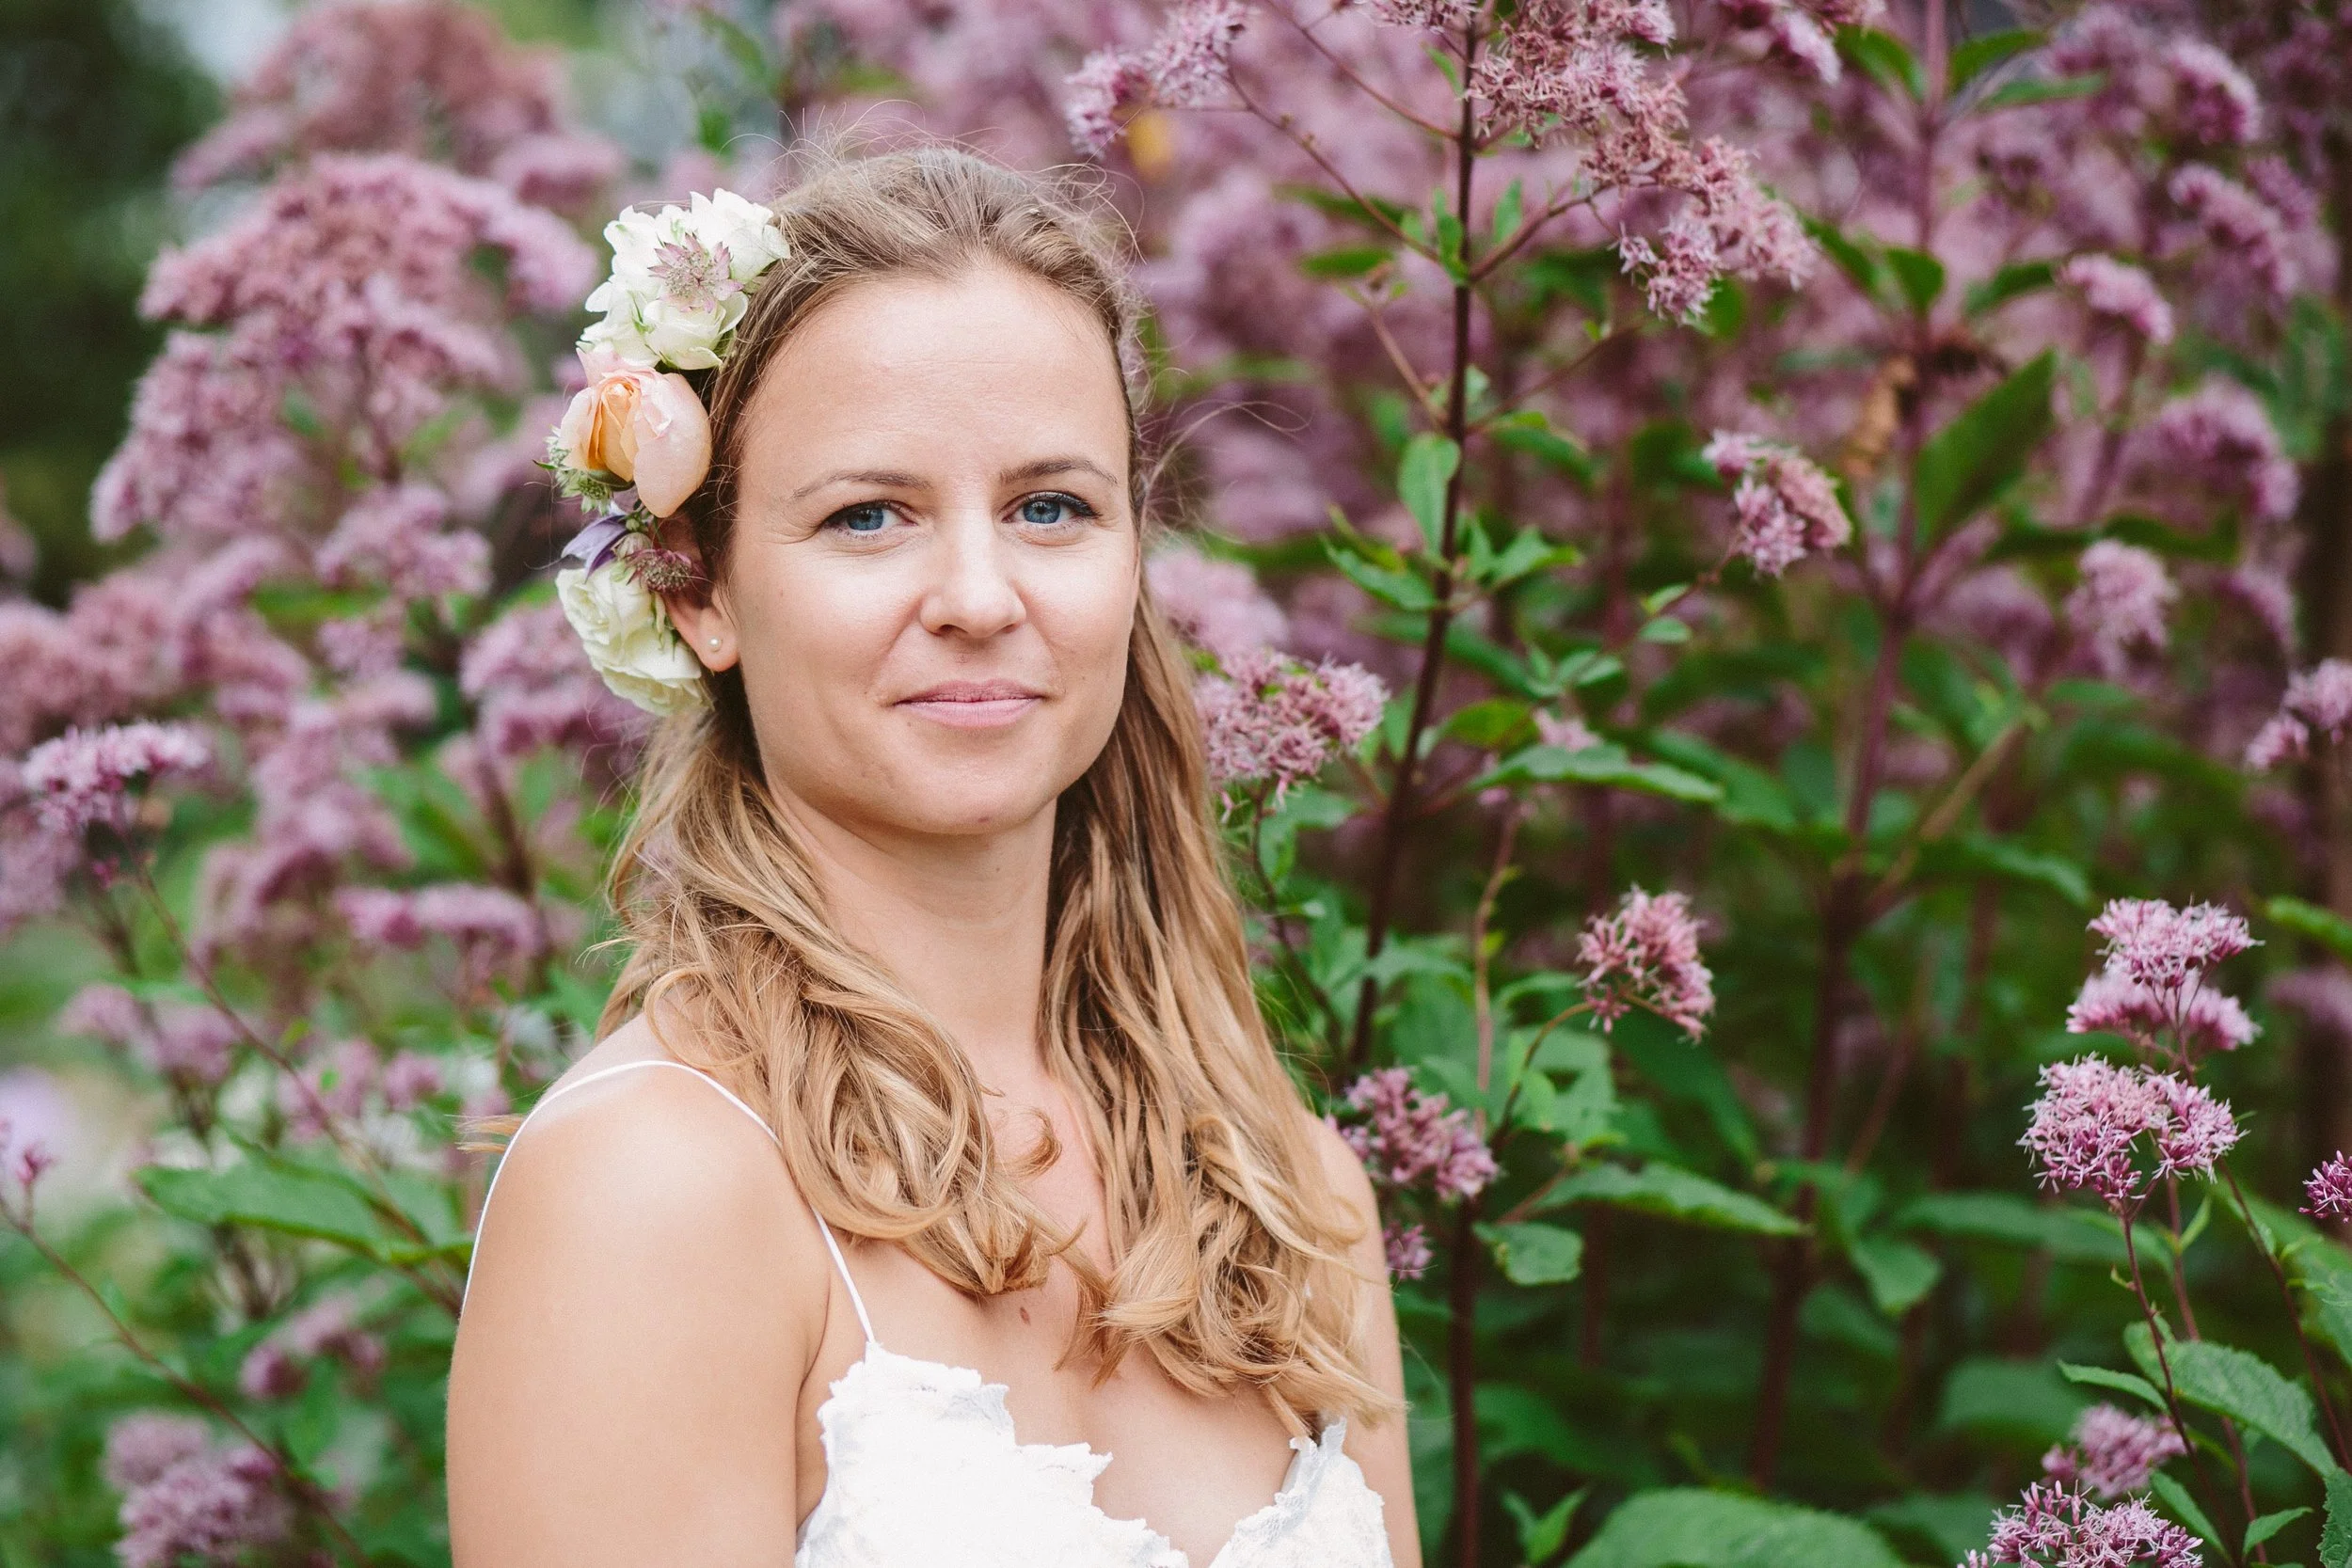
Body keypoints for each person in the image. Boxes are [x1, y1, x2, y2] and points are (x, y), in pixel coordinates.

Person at [444, 146, 1417, 1568]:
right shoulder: (653, 1192)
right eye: (868, 515)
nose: (977, 595)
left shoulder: (1296, 1195)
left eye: (1049, 507)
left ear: (1135, 552)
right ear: (699, 586)